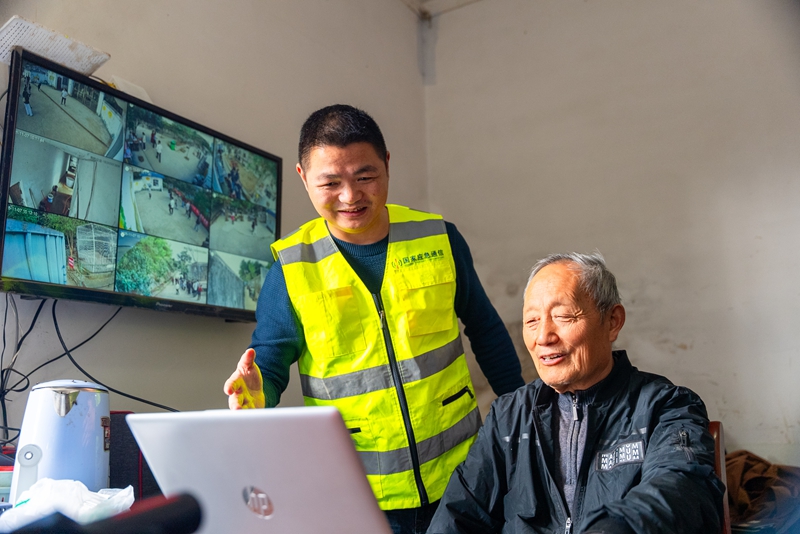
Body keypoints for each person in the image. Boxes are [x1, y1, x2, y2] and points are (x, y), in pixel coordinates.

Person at [223, 104, 524, 534]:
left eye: (365, 177)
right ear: (303, 178)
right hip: (359, 495)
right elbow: (268, 368)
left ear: (386, 164)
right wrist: (254, 396)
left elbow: (487, 331)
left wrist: (527, 421)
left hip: (465, 478)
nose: (351, 196)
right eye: (330, 182)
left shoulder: (438, 238)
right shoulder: (291, 269)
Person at [427, 252, 726, 534]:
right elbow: (459, 512)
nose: (543, 337)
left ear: (612, 321)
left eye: (564, 316)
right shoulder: (509, 417)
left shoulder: (666, 407)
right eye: (531, 321)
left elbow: (683, 489)